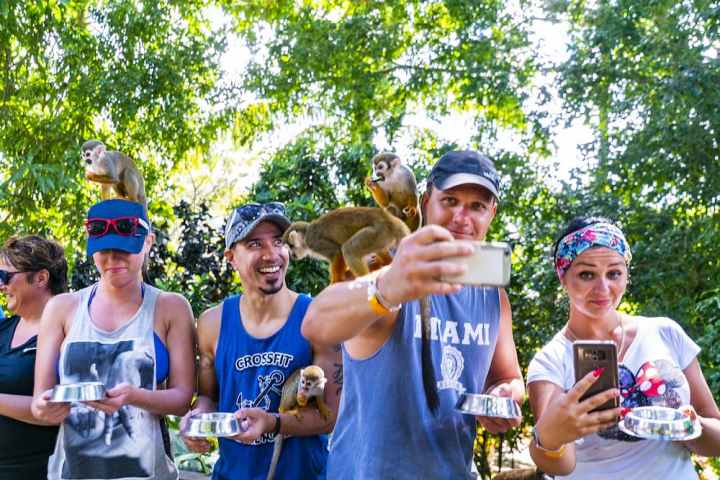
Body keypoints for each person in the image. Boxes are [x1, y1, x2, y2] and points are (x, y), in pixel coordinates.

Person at [302, 150, 524, 479]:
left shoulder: (493, 295)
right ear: (425, 202)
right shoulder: (389, 263)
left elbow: (508, 377)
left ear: (492, 213)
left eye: (477, 206)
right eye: (450, 200)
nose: (462, 216)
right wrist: (387, 287)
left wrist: (504, 396)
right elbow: (316, 323)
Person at [526, 217, 720, 479]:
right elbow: (558, 465)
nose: (603, 288)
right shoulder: (550, 360)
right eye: (586, 274)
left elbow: (715, 440)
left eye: (614, 273)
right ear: (563, 277)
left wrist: (692, 426)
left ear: (626, 274)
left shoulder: (665, 332)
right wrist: (550, 438)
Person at [31, 199, 195, 480]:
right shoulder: (62, 308)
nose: (112, 260)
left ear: (148, 242)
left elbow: (182, 399)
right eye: (103, 251)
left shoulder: (171, 307)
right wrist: (47, 409)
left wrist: (134, 397)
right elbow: (39, 402)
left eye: (123, 250)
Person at [181, 202, 341, 480]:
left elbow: (331, 416)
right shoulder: (211, 324)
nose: (272, 254)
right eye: (255, 244)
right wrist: (196, 421)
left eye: (278, 241)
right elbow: (208, 396)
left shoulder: (318, 317)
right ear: (231, 257)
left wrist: (272, 423)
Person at [0, 235, 67, 479]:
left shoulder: (70, 332)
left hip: (37, 471)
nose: (1, 284)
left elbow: (58, 411)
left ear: (41, 278)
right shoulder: (4, 329)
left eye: (5, 276)